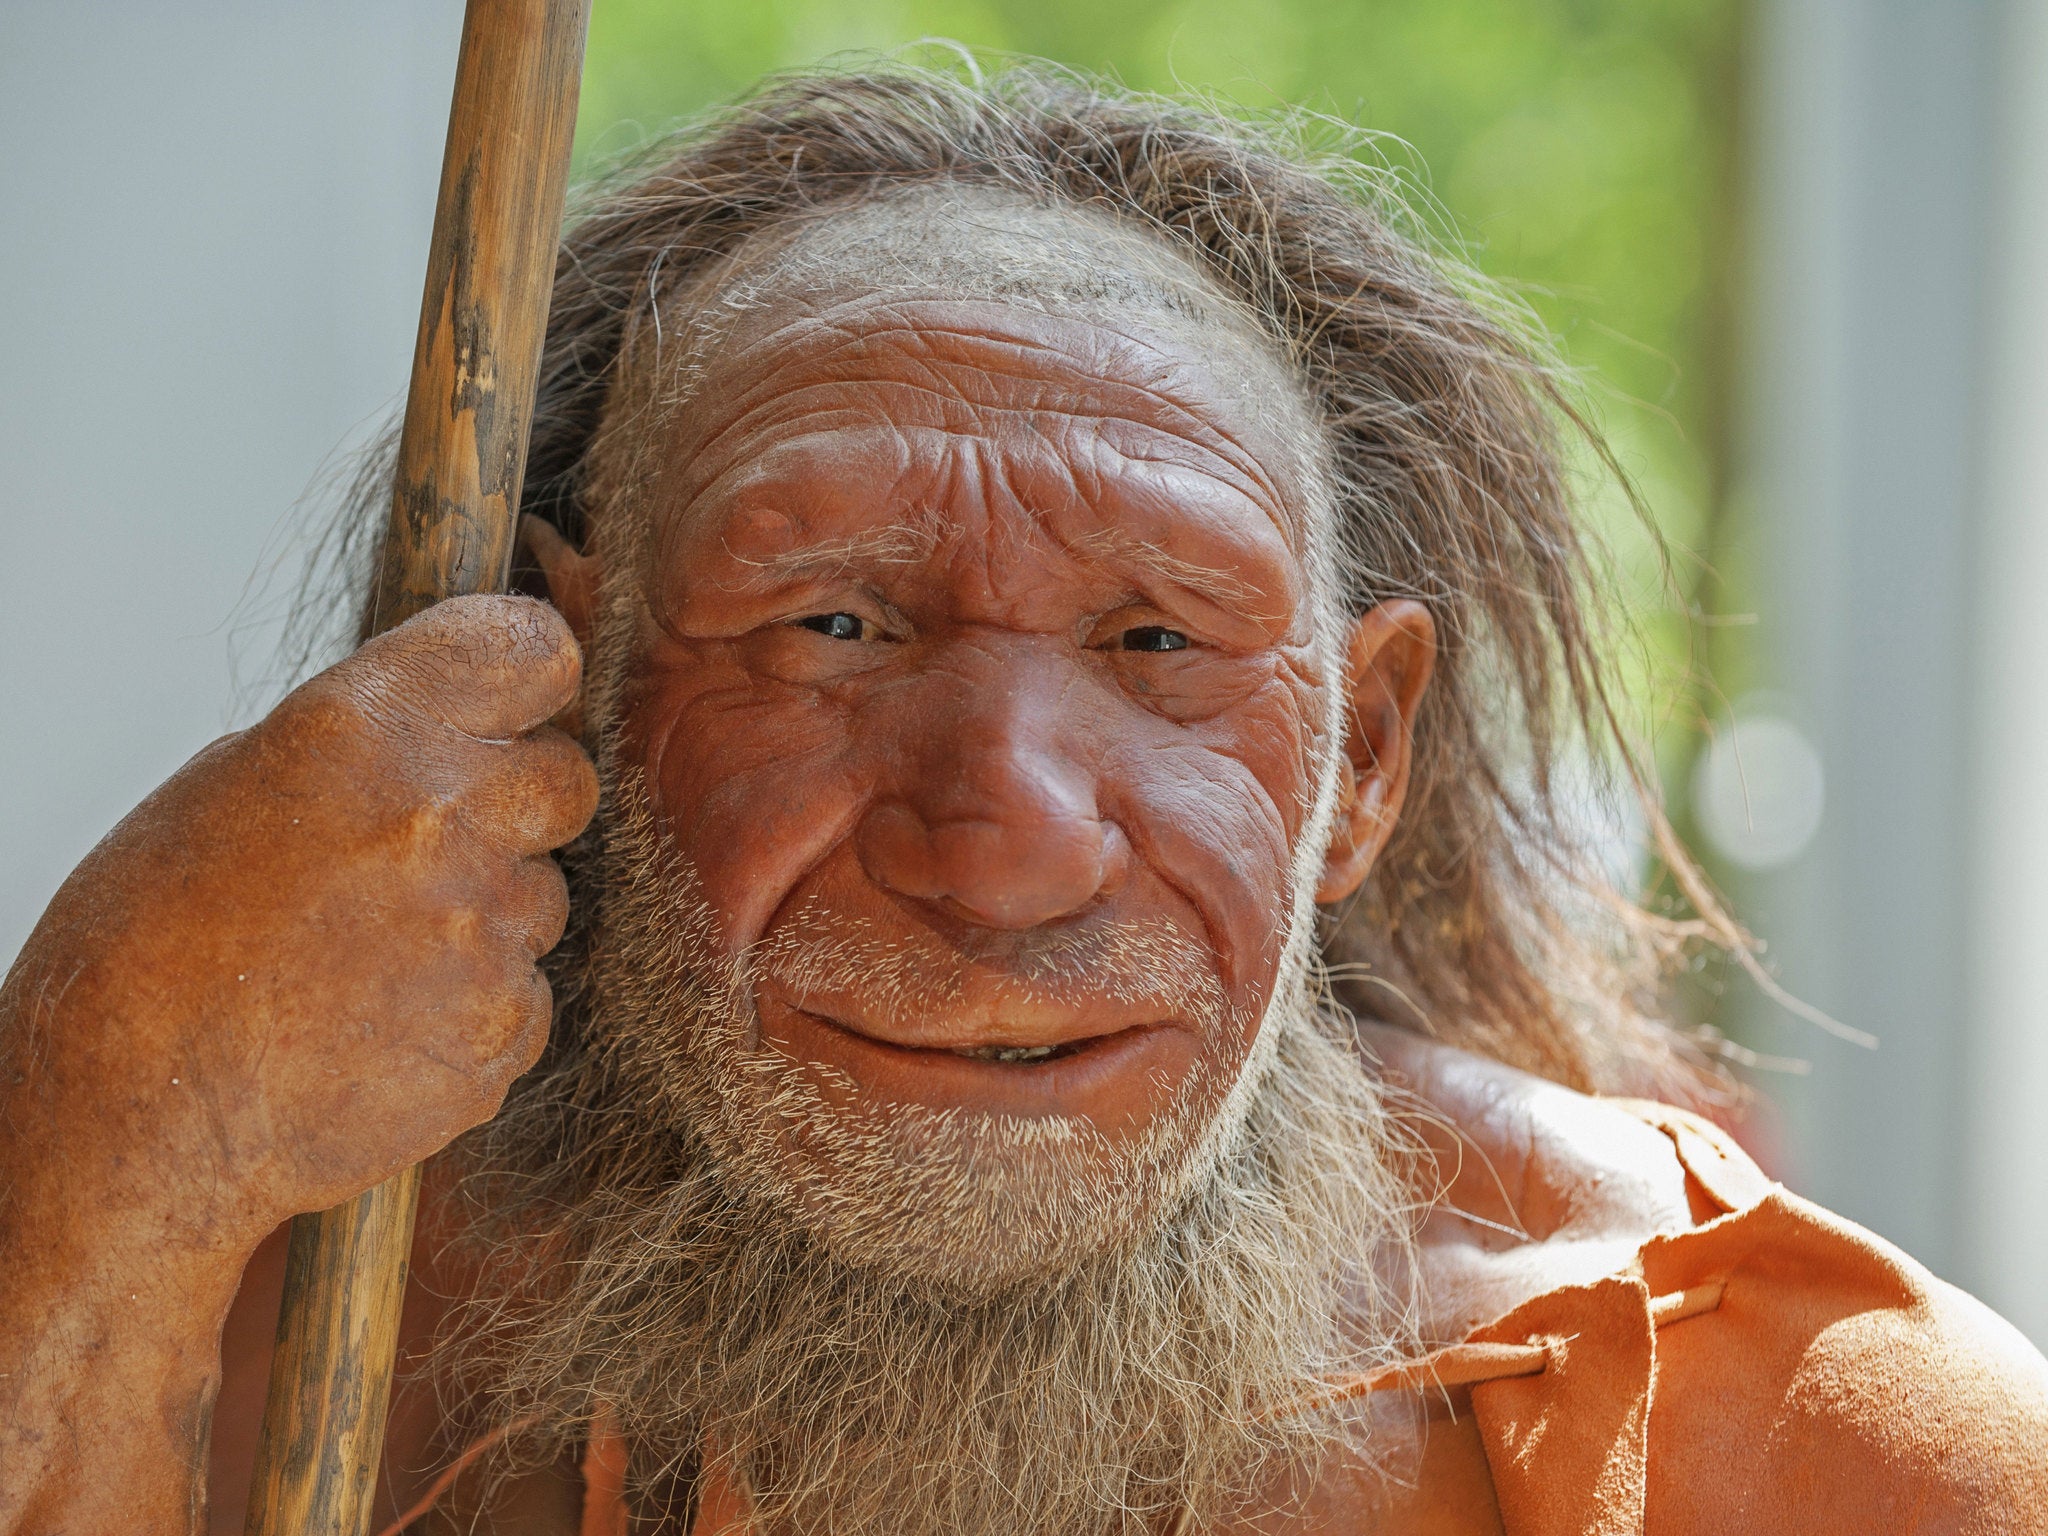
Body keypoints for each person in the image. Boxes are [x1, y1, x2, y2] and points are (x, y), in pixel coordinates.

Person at [3, 67, 2043, 1536]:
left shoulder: (1788, 1445)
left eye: (1160, 644)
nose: (1000, 849)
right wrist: (105, 1127)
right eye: (829, 625)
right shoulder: (268, 1321)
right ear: (579, 699)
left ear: (1359, 757)